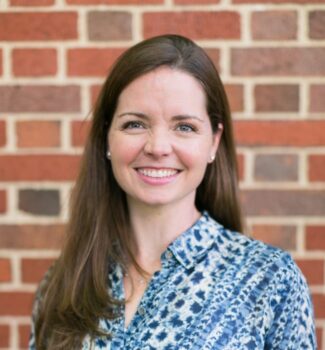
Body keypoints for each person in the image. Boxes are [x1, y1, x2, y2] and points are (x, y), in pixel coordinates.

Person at [29, 34, 316, 349]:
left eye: (185, 127)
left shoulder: (270, 280)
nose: (158, 147)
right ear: (107, 136)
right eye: (135, 124)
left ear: (214, 142)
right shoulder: (61, 286)